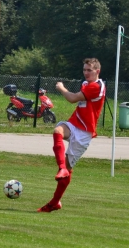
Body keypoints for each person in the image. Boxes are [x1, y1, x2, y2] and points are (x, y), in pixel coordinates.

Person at [37, 58, 106, 213]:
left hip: (84, 133)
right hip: (75, 124)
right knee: (57, 131)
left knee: (68, 171)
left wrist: (61, 88)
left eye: (89, 70)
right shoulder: (87, 84)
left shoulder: (95, 87)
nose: (86, 73)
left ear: (97, 71)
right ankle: (61, 168)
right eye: (84, 70)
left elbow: (72, 99)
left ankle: (55, 202)